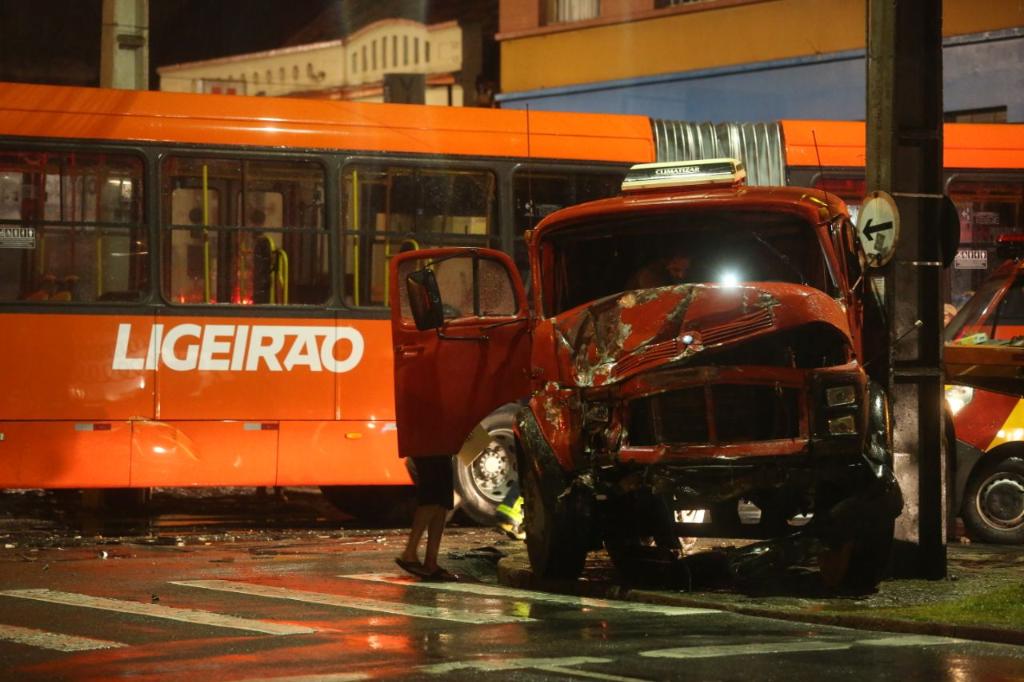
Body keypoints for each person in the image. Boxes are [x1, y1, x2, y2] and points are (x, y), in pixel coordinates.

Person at [396, 455, 459, 581]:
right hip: (430, 447)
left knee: (442, 502)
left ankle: (431, 562)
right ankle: (409, 552)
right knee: (433, 496)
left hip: (440, 448)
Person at [625, 252, 691, 290]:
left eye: (686, 270)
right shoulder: (649, 275)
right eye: (676, 270)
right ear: (666, 263)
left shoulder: (670, 278)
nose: (681, 275)